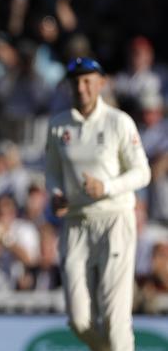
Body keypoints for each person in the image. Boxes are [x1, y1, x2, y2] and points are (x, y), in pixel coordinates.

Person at [45, 57, 151, 351]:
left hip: (115, 218)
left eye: (88, 81)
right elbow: (52, 172)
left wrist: (107, 187)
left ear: (101, 83)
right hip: (76, 223)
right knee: (79, 321)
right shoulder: (58, 126)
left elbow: (143, 172)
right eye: (76, 82)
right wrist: (56, 195)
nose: (82, 88)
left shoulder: (118, 121)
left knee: (116, 320)